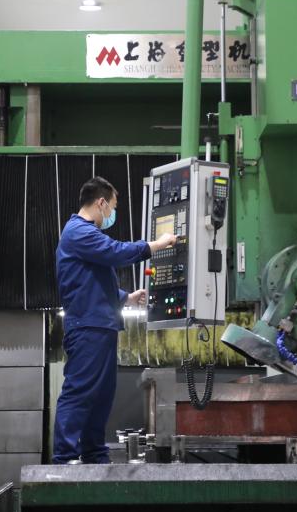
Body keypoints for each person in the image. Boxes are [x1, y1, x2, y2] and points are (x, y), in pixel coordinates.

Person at [52, 176, 177, 464]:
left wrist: (125, 298)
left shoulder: (83, 235)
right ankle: (64, 458)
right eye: (113, 207)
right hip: (88, 327)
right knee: (80, 391)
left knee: (100, 395)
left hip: (100, 326)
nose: (112, 213)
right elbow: (116, 252)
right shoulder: (79, 231)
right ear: (101, 203)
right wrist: (156, 245)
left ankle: (94, 454)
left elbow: (92, 282)